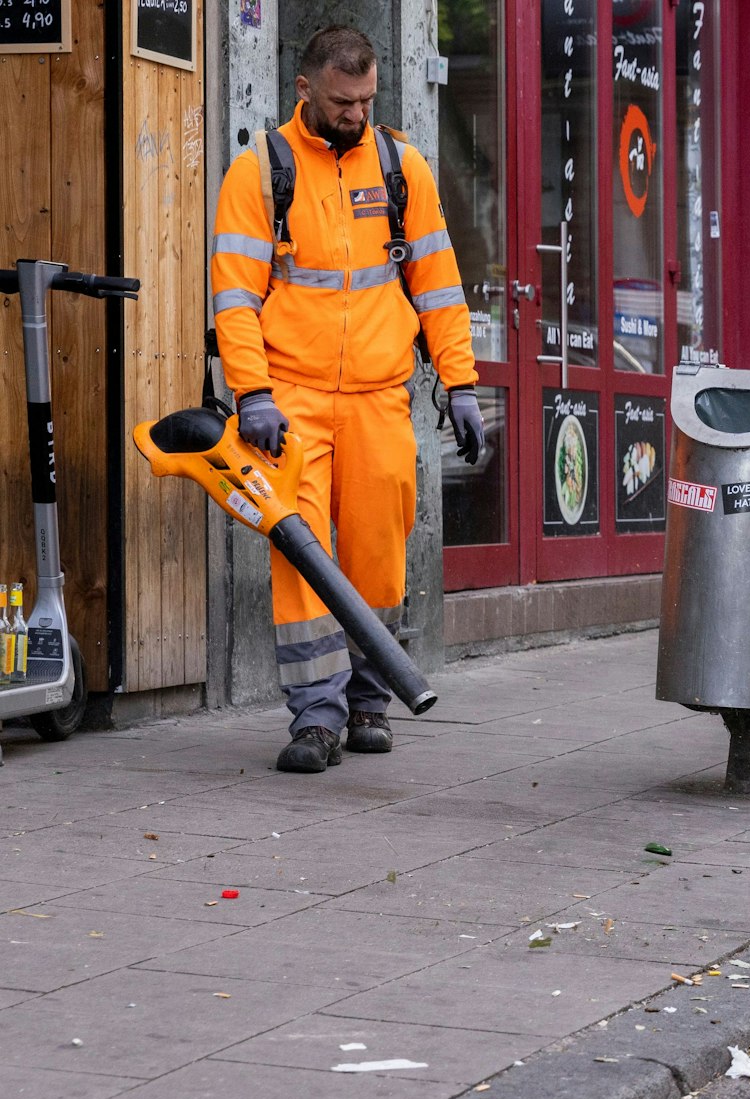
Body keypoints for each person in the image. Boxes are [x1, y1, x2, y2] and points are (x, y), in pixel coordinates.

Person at [210, 26, 484, 773]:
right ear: (306, 91)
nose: (357, 114)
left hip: (379, 396)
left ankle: (369, 702)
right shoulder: (262, 171)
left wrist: (459, 382)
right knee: (303, 560)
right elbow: (234, 297)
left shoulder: (402, 167)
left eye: (366, 100)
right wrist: (252, 391)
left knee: (378, 555)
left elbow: (439, 286)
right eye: (342, 102)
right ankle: (316, 719)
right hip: (290, 399)